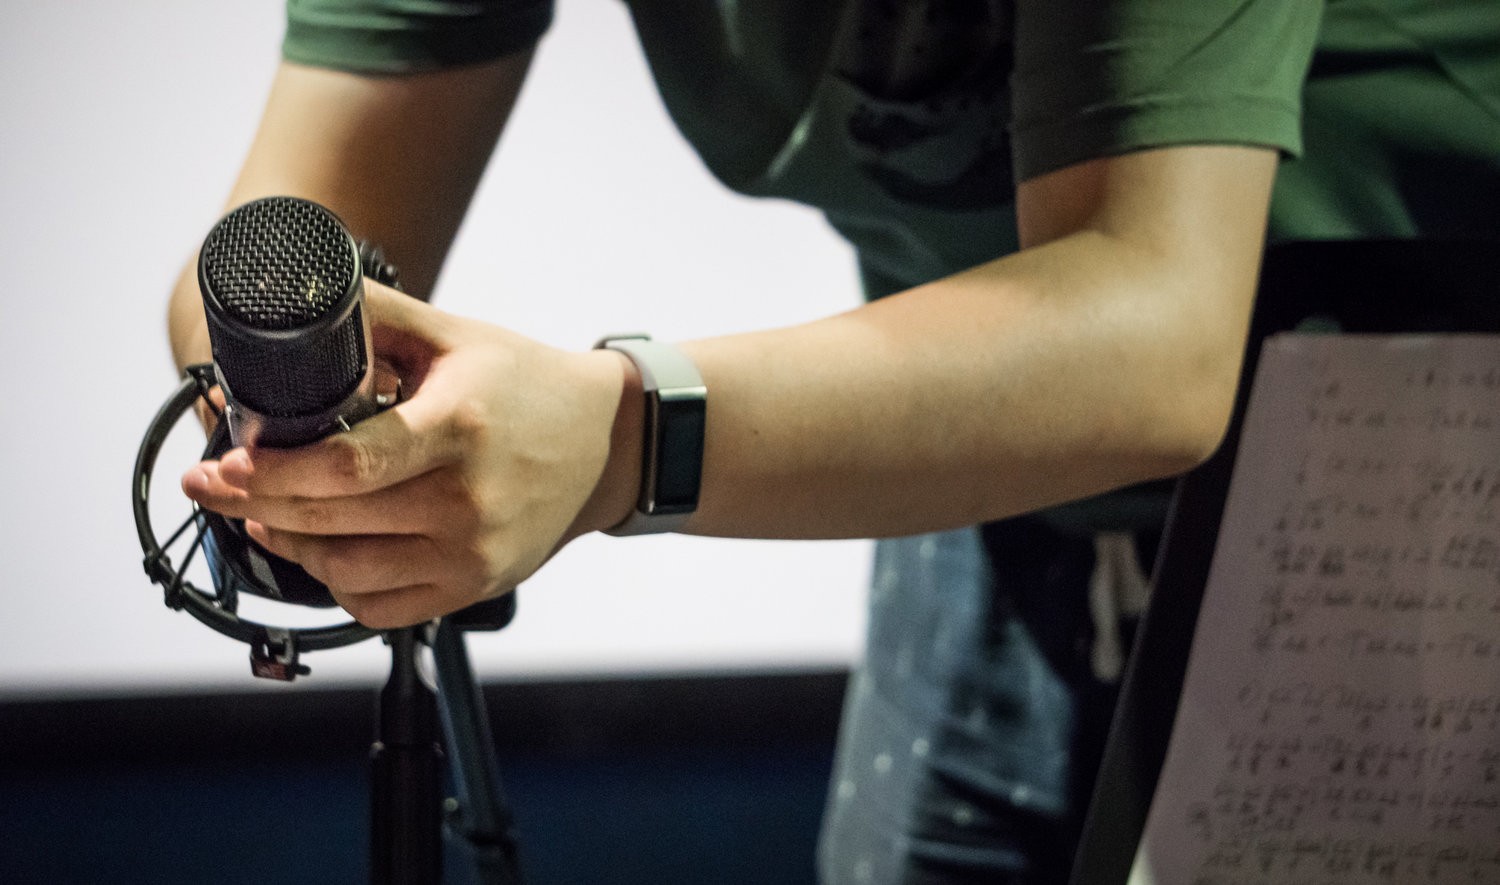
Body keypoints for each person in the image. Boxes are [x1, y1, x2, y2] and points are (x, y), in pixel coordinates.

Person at [171, 1, 1500, 882]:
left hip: (1408, 440)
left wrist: (622, 437)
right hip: (1004, 489)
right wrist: (285, 408)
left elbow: (1153, 341)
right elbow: (274, 236)